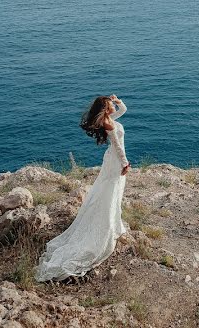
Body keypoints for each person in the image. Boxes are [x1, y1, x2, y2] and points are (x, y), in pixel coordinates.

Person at [35, 94, 131, 282]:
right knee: (110, 191)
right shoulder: (108, 123)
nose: (113, 105)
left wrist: (118, 100)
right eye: (110, 104)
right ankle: (108, 224)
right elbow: (118, 146)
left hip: (112, 160)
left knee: (113, 191)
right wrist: (125, 163)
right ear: (105, 108)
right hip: (115, 160)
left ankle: (114, 221)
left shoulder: (110, 119)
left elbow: (124, 110)